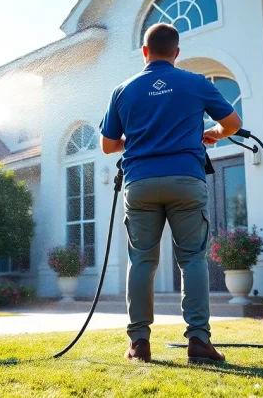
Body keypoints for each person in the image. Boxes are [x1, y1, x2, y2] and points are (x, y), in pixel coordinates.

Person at [100, 23, 243, 364]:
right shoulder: (194, 83)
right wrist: (214, 134)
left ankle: (139, 344)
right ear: (177, 53)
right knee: (192, 258)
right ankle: (198, 341)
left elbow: (108, 146)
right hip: (186, 180)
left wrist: (136, 140)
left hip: (140, 184)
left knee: (142, 261)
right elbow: (233, 123)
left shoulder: (123, 89)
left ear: (144, 52)